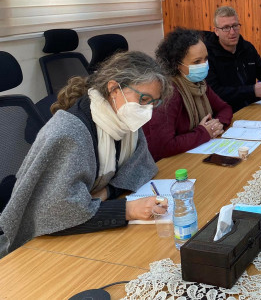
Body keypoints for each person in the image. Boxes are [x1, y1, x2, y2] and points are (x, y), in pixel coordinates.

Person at [0, 51, 171, 258]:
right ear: (114, 89)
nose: (147, 110)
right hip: (36, 245)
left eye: (154, 102)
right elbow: (53, 212)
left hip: (83, 231)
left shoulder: (124, 121)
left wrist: (106, 192)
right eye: (143, 99)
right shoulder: (70, 131)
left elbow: (140, 166)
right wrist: (127, 210)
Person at [143, 28, 233, 161]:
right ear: (176, 64)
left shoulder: (199, 83)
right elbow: (163, 147)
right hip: (168, 163)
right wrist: (204, 132)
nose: (204, 65)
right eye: (197, 62)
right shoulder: (167, 93)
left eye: (206, 59)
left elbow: (225, 108)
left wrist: (216, 124)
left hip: (193, 153)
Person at [205, 6, 261, 112]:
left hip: (253, 108)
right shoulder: (207, 55)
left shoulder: (247, 48)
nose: (232, 32)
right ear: (216, 31)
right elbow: (215, 93)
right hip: (226, 112)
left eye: (235, 26)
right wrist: (252, 90)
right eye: (226, 28)